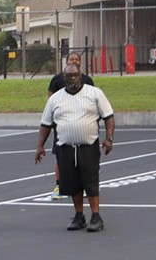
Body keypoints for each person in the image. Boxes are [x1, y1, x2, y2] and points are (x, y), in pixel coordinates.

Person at [36, 63, 115, 232]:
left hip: (88, 146)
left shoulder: (94, 94)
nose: (73, 79)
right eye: (69, 76)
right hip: (66, 148)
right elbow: (46, 124)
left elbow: (108, 117)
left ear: (81, 76)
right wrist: (40, 146)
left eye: (76, 75)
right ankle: (79, 215)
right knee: (72, 183)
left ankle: (96, 216)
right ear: (64, 78)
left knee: (90, 181)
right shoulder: (55, 99)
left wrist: (109, 139)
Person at [45, 52, 94, 199]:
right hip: (63, 125)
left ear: (80, 62)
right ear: (66, 62)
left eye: (77, 59)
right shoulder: (57, 79)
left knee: (83, 159)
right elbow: (50, 99)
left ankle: (83, 186)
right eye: (71, 59)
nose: (74, 61)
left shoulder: (87, 80)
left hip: (81, 124)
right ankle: (59, 185)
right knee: (60, 157)